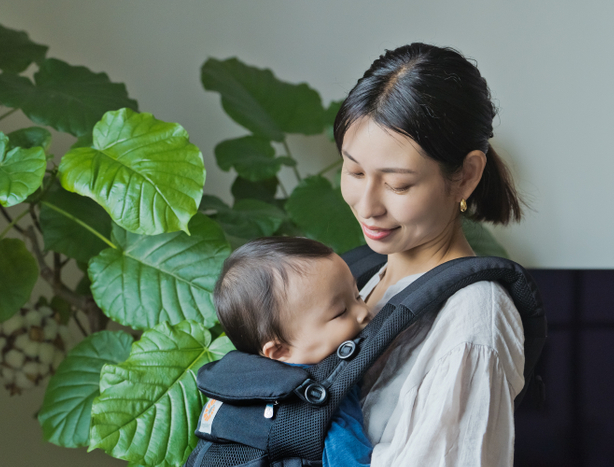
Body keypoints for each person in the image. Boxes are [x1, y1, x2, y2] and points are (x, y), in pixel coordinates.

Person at [334, 43, 526, 466]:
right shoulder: (359, 276)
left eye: (398, 185)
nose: (367, 206)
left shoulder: (473, 323)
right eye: (355, 171)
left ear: (466, 176)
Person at [213, 236, 374, 467]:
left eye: (358, 295)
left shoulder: (241, 386)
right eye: (340, 312)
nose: (363, 312)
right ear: (280, 350)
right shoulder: (323, 399)